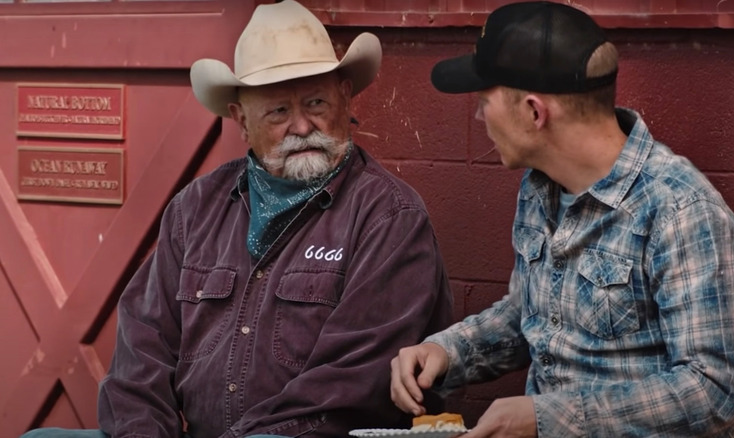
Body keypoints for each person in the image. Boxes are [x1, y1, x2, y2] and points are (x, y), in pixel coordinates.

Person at [21, 1, 453, 437]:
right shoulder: (196, 208)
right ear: (241, 121)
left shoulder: (389, 217)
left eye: (316, 102)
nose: (302, 126)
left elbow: (349, 388)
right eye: (278, 112)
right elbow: (141, 357)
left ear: (345, 95)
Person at [390, 2, 734, 437]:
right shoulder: (540, 186)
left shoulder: (681, 212)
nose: (478, 117)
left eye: (484, 101)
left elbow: (712, 393)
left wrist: (547, 419)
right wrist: (447, 351)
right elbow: (530, 313)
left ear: (533, 112)